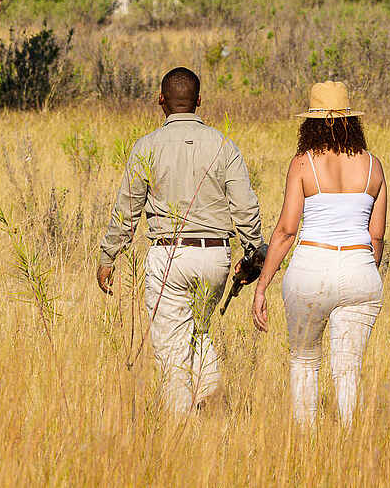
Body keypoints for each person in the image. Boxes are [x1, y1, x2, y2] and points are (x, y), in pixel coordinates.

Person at [96, 66, 266, 414]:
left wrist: (108, 255)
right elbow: (245, 208)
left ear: (160, 100)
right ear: (199, 101)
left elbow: (127, 210)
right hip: (215, 257)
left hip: (169, 255)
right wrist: (255, 254)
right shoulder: (223, 145)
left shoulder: (146, 146)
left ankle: (180, 426)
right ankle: (212, 407)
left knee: (172, 347)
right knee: (200, 334)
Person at [252, 81, 387, 427]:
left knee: (304, 361)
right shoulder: (373, 166)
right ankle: (351, 440)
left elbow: (286, 231)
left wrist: (262, 285)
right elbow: (376, 236)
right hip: (359, 269)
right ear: (351, 121)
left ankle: (306, 442)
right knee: (348, 369)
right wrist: (362, 269)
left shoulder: (303, 164)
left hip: (311, 268)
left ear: (311, 123)